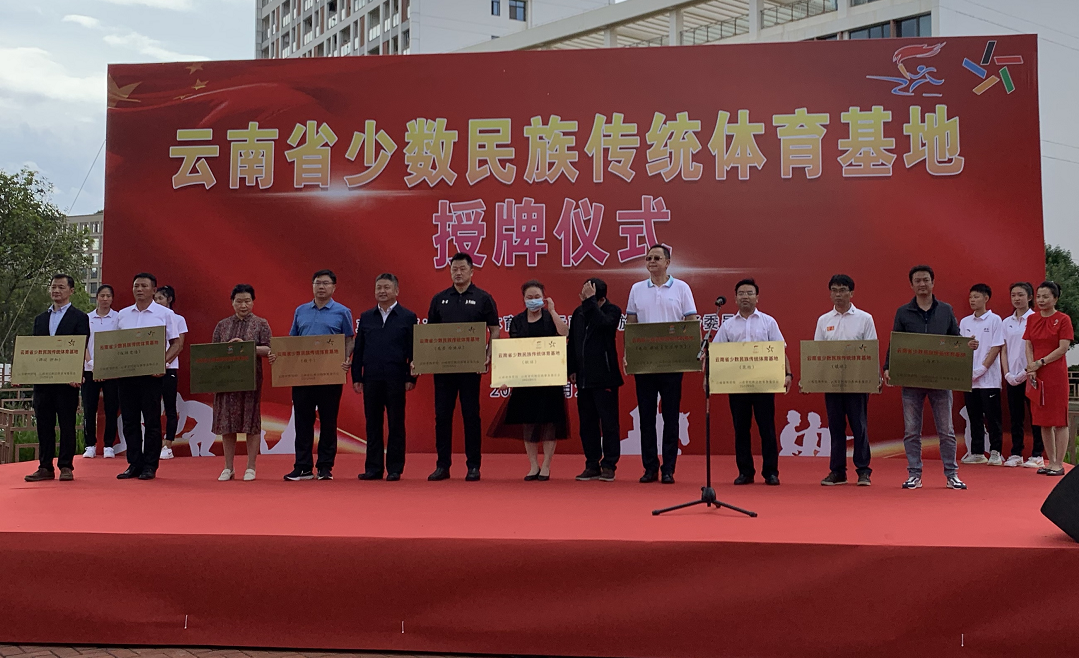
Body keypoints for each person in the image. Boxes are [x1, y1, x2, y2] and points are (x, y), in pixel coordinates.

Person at [883, 265, 967, 490]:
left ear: (933, 282)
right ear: (911, 285)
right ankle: (914, 474)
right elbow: (895, 342)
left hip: (941, 379)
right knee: (912, 431)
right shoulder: (903, 312)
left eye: (926, 280)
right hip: (912, 380)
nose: (922, 284)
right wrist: (888, 367)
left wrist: (967, 346)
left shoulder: (946, 310)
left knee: (947, 431)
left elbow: (955, 339)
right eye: (917, 281)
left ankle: (952, 474)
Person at [625, 244, 698, 485]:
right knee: (646, 417)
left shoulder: (681, 288)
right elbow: (632, 325)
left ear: (668, 262)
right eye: (648, 258)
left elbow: (690, 320)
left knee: (671, 417)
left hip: (672, 363)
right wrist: (628, 354)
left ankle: (668, 469)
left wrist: (689, 352)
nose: (652, 261)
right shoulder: (637, 289)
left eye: (657, 258)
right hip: (645, 363)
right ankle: (649, 468)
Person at [427, 252, 500, 481]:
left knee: (471, 415)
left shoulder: (483, 298)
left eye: (462, 269)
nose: (458, 273)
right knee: (442, 416)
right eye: (454, 269)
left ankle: (473, 466)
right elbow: (429, 334)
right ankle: (442, 465)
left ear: (471, 271)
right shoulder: (439, 299)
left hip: (471, 368)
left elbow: (494, 330)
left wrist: (488, 355)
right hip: (443, 368)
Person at [713, 278, 790, 486]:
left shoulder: (768, 322)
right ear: (735, 298)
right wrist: (708, 377)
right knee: (741, 430)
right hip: (737, 385)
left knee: (767, 429)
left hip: (764, 384)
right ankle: (745, 472)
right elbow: (716, 353)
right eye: (741, 293)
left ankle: (771, 472)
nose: (745, 297)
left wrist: (788, 374)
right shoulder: (728, 325)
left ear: (757, 297)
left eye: (749, 293)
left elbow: (780, 350)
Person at [283, 269, 354, 481]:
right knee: (302, 421)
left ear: (334, 287)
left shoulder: (342, 312)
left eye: (325, 283)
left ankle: (325, 466)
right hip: (303, 375)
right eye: (317, 283)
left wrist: (346, 359)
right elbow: (293, 340)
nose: (321, 287)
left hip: (330, 375)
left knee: (328, 421)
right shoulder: (301, 311)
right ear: (312, 286)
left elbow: (349, 339)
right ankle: (303, 466)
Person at [495, 280, 570, 481]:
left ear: (544, 298)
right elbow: (513, 351)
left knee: (550, 424)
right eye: (529, 297)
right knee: (528, 424)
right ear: (523, 299)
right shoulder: (518, 321)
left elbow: (565, 333)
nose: (533, 300)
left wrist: (552, 311)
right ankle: (533, 465)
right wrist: (505, 376)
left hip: (549, 380)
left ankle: (546, 465)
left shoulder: (550, 318)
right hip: (525, 381)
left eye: (537, 297)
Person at [115, 272, 183, 481]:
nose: (139, 289)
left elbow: (177, 344)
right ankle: (134, 463)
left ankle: (150, 465)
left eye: (144, 286)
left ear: (154, 290)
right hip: (127, 374)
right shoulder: (123, 315)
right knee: (129, 420)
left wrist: (162, 363)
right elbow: (115, 344)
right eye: (136, 285)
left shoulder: (165, 314)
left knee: (152, 420)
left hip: (152, 375)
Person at [23, 274, 90, 482]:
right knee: (44, 424)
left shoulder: (79, 317)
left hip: (67, 381)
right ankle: (45, 466)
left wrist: (76, 374)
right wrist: (25, 372)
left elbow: (81, 348)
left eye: (61, 287)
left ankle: (66, 466)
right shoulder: (40, 319)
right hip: (43, 381)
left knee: (67, 424)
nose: (56, 291)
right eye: (53, 287)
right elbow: (35, 350)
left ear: (71, 291)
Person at [812, 274, 877, 486]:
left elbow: (871, 350)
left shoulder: (864, 318)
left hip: (857, 382)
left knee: (859, 427)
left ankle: (863, 470)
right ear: (830, 293)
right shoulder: (823, 320)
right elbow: (818, 352)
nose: (838, 294)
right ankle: (838, 471)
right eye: (834, 290)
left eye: (842, 290)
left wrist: (873, 378)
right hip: (832, 383)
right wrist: (813, 379)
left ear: (851, 293)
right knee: (836, 427)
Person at [351, 273, 417, 481]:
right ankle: (373, 468)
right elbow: (359, 349)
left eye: (386, 287)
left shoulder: (407, 316)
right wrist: (357, 376)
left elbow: (413, 349)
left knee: (396, 423)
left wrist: (411, 378)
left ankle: (395, 468)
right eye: (378, 287)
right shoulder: (367, 317)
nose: (382, 291)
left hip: (396, 377)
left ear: (396, 290)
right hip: (371, 377)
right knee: (373, 423)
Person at [211, 284, 272, 482]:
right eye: (239, 301)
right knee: (227, 423)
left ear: (253, 302)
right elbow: (212, 353)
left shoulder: (261, 324)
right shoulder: (222, 325)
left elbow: (269, 349)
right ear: (232, 302)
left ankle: (251, 467)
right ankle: (228, 467)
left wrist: (246, 348)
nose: (243, 305)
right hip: (225, 381)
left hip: (250, 381)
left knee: (251, 423)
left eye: (247, 301)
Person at [568, 277, 623, 482]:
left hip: (605, 377)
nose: (582, 297)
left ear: (598, 297)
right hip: (584, 379)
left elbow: (603, 325)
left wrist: (590, 302)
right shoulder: (579, 312)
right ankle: (592, 464)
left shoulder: (612, 311)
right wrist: (572, 369)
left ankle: (609, 465)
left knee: (609, 424)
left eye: (587, 294)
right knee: (587, 424)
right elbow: (572, 342)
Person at [1024, 281, 1074, 477]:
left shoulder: (1063, 319)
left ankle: (1059, 464)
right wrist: (1031, 367)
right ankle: (1050, 461)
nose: (1041, 300)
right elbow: (1028, 345)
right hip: (1037, 373)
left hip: (1055, 374)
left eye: (1046, 296)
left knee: (1059, 420)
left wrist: (1041, 362)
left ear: (1055, 298)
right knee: (1043, 420)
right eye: (1039, 296)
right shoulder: (1032, 319)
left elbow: (1063, 348)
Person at [959, 283, 1005, 466]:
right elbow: (960, 346)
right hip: (969, 379)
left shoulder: (995, 320)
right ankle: (977, 452)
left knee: (993, 417)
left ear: (986, 298)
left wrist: (983, 368)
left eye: (976, 297)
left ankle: (995, 452)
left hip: (989, 379)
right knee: (974, 416)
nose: (972, 300)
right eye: (971, 297)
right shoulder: (965, 322)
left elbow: (996, 346)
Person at [1000, 282, 1044, 468]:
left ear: (1030, 297)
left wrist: (1027, 371)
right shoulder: (1006, 322)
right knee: (1015, 417)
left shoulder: (1036, 319)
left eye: (1021, 295)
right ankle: (1016, 453)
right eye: (1013, 295)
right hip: (1012, 377)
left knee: (1035, 416)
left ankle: (1037, 454)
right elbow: (1003, 349)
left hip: (1031, 376)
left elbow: (1038, 348)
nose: (1017, 299)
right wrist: (1007, 374)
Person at [81, 284, 120, 460]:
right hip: (90, 369)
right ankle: (90, 445)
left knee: (112, 408)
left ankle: (108, 445)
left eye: (108, 296)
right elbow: (83, 343)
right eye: (102, 296)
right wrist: (91, 363)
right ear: (97, 297)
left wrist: (108, 366)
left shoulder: (118, 318)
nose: (105, 299)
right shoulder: (87, 318)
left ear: (112, 299)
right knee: (90, 409)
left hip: (112, 370)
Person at [153, 285, 188, 460]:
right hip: (150, 370)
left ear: (169, 299)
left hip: (169, 368)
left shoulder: (178, 319)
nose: (157, 301)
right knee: (151, 408)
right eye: (155, 298)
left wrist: (163, 363)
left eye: (161, 298)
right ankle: (153, 443)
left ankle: (168, 444)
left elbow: (178, 345)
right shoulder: (151, 318)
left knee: (170, 408)